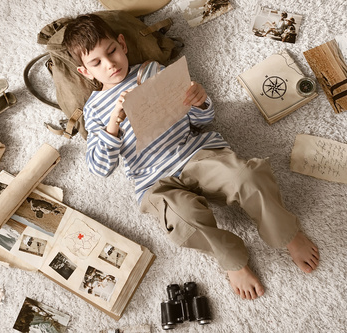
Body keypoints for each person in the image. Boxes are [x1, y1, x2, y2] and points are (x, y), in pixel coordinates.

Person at [63, 14, 319, 300]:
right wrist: (114, 123)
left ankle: (286, 233)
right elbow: (99, 168)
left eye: (111, 51)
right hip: (154, 183)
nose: (109, 64)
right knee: (183, 223)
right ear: (85, 72)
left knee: (248, 176)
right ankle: (232, 261)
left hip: (195, 154)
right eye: (96, 63)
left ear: (122, 44)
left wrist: (200, 100)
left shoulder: (152, 71)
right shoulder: (94, 109)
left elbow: (203, 119)